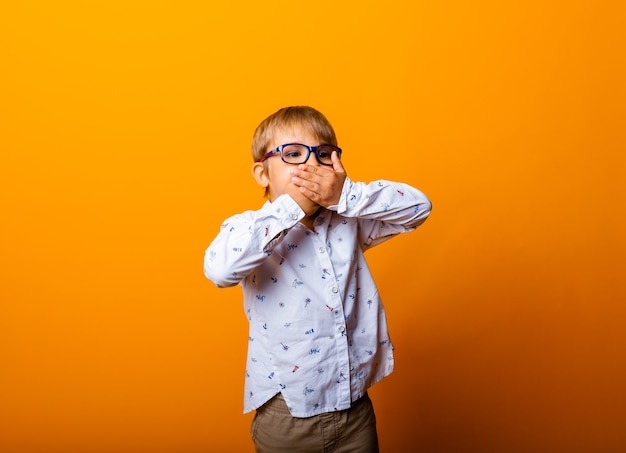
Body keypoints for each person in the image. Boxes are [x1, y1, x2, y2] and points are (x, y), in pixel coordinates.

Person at [203, 106, 431, 452]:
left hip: (354, 407)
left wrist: (345, 196)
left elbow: (418, 208)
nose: (310, 164)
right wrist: (292, 209)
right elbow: (220, 269)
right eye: (293, 154)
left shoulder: (349, 220)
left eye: (323, 155)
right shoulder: (248, 228)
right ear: (262, 174)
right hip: (287, 413)